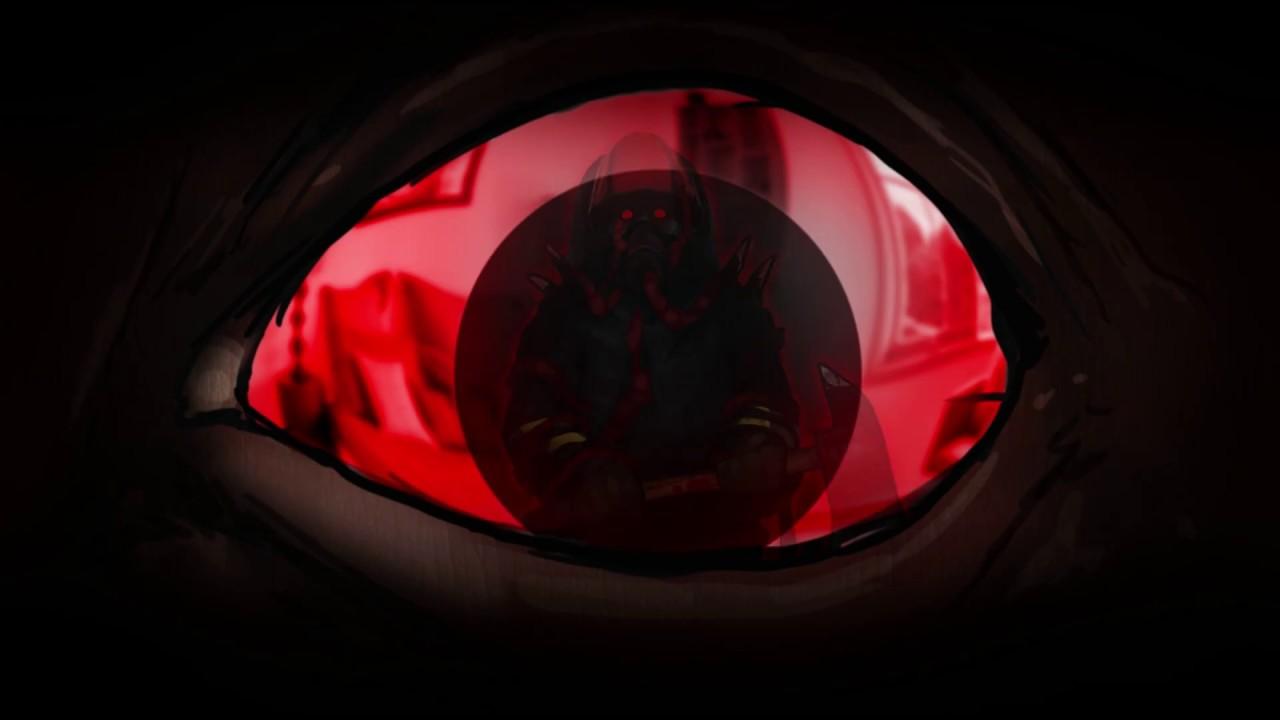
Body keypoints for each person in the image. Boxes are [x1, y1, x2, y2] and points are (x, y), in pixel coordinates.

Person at [501, 133, 803, 548]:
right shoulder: (564, 314)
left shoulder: (729, 306)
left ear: (688, 223)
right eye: (625, 216)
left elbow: (766, 394)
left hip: (722, 533)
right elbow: (533, 417)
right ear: (599, 227)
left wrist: (756, 444)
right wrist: (580, 468)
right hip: (597, 541)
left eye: (662, 216)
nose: (644, 231)